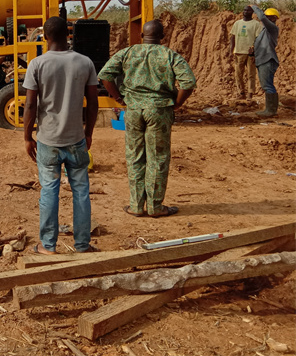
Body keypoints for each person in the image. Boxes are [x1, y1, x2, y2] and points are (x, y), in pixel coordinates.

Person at [98, 20, 195, 218]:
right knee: (157, 158)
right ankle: (155, 207)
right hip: (159, 111)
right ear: (162, 37)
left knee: (135, 157)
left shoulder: (128, 52)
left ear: (142, 36)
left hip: (133, 110)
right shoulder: (169, 55)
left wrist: (119, 98)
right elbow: (189, 82)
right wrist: (177, 103)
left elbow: (105, 75)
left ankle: (135, 206)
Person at [23, 16, 99, 254]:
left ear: (45, 36)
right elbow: (93, 102)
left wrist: (27, 136)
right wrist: (88, 133)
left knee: (49, 191)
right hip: (76, 139)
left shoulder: (37, 64)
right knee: (81, 192)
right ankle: (82, 245)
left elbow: (30, 106)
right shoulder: (84, 62)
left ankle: (47, 246)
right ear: (67, 34)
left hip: (48, 141)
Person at [249, 5, 280, 117]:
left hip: (267, 60)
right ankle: (270, 110)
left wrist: (254, 7)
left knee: (267, 85)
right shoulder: (264, 31)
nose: (265, 19)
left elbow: (261, 17)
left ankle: (271, 111)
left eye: (268, 17)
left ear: (273, 18)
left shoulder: (272, 29)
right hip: (263, 60)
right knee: (266, 85)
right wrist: (252, 53)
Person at [229, 6, 262, 99]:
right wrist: (231, 50)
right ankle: (241, 93)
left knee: (251, 74)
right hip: (239, 52)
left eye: (248, 10)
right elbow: (232, 37)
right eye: (244, 10)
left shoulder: (256, 24)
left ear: (252, 12)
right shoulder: (237, 23)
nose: (245, 11)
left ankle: (250, 94)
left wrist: (255, 49)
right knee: (238, 74)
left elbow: (258, 39)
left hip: (250, 53)